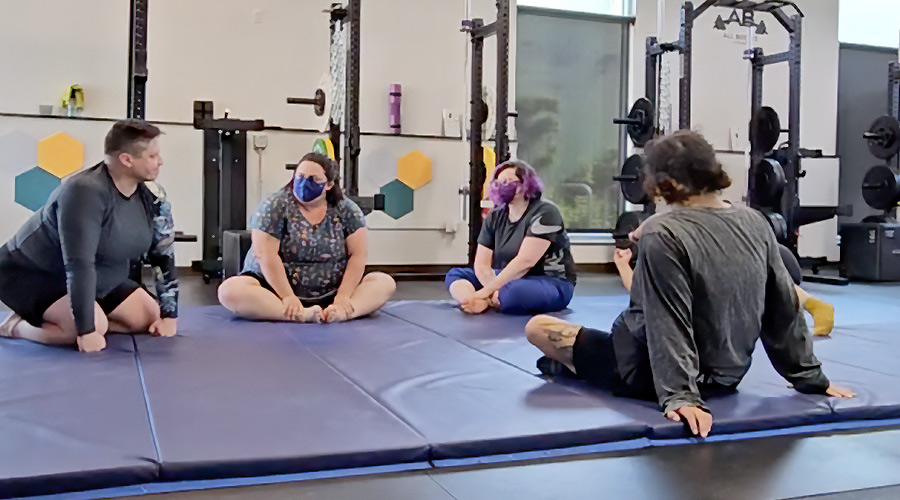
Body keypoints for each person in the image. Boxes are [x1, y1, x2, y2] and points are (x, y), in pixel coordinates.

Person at [525, 130, 854, 438]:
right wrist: (811, 379)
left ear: (662, 182)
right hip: (725, 378)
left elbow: (668, 320)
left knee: (537, 328)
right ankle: (570, 365)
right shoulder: (755, 222)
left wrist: (681, 395)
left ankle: (569, 365)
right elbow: (784, 308)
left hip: (646, 372)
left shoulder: (662, 236)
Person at [0, 119, 179, 352]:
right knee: (86, 327)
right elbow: (79, 263)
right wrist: (86, 331)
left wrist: (169, 315)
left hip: (99, 274)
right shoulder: (84, 191)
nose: (160, 162)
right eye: (153, 156)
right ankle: (16, 327)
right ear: (126, 160)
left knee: (147, 316)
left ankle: (79, 315)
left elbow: (163, 254)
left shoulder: (152, 196)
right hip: (34, 272)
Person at [217, 152, 395, 323]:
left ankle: (342, 312)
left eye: (314, 179)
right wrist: (288, 297)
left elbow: (357, 255)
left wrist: (343, 297)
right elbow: (265, 255)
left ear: (329, 184)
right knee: (229, 291)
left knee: (383, 282)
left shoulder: (347, 210)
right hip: (276, 294)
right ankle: (297, 315)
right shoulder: (275, 206)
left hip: (332, 293)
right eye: (300, 177)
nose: (304, 183)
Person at [616, 232, 835, 336]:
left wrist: (623, 265)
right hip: (775, 258)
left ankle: (809, 305)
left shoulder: (666, 239)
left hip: (772, 265)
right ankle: (812, 303)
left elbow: (646, 292)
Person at [444, 160, 576, 315]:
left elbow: (525, 262)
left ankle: (482, 300)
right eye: (499, 182)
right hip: (507, 277)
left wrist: (484, 292)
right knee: (456, 274)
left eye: (507, 182)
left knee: (513, 293)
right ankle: (476, 301)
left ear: (525, 185)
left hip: (549, 281)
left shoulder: (546, 213)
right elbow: (482, 264)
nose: (502, 186)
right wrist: (490, 290)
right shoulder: (495, 216)